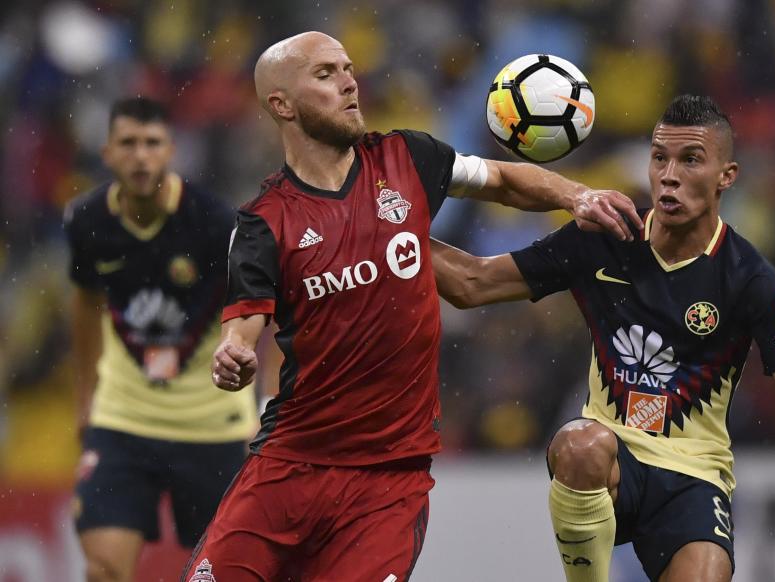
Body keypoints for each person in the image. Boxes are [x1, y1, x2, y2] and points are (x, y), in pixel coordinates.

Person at [181, 31, 641, 582]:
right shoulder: (264, 222)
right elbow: (242, 328)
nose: (350, 81)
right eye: (325, 74)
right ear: (281, 104)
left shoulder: (406, 158)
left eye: (348, 68)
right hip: (290, 467)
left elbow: (501, 180)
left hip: (389, 483)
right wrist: (232, 356)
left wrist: (576, 196)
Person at [431, 94, 775, 582]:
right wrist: (392, 227)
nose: (670, 174)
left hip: (695, 477)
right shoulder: (605, 235)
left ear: (726, 176)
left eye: (691, 160)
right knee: (579, 444)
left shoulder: (751, 278)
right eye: (660, 157)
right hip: (612, 464)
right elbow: (472, 283)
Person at [64, 97, 258, 582]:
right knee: (103, 567)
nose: (141, 156)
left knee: (232, 574)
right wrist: (85, 397)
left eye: (152, 143)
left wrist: (268, 398)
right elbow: (86, 304)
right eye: (128, 143)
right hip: (124, 421)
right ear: (107, 152)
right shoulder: (87, 221)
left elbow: (258, 307)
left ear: (171, 150)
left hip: (213, 425)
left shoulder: (215, 223)